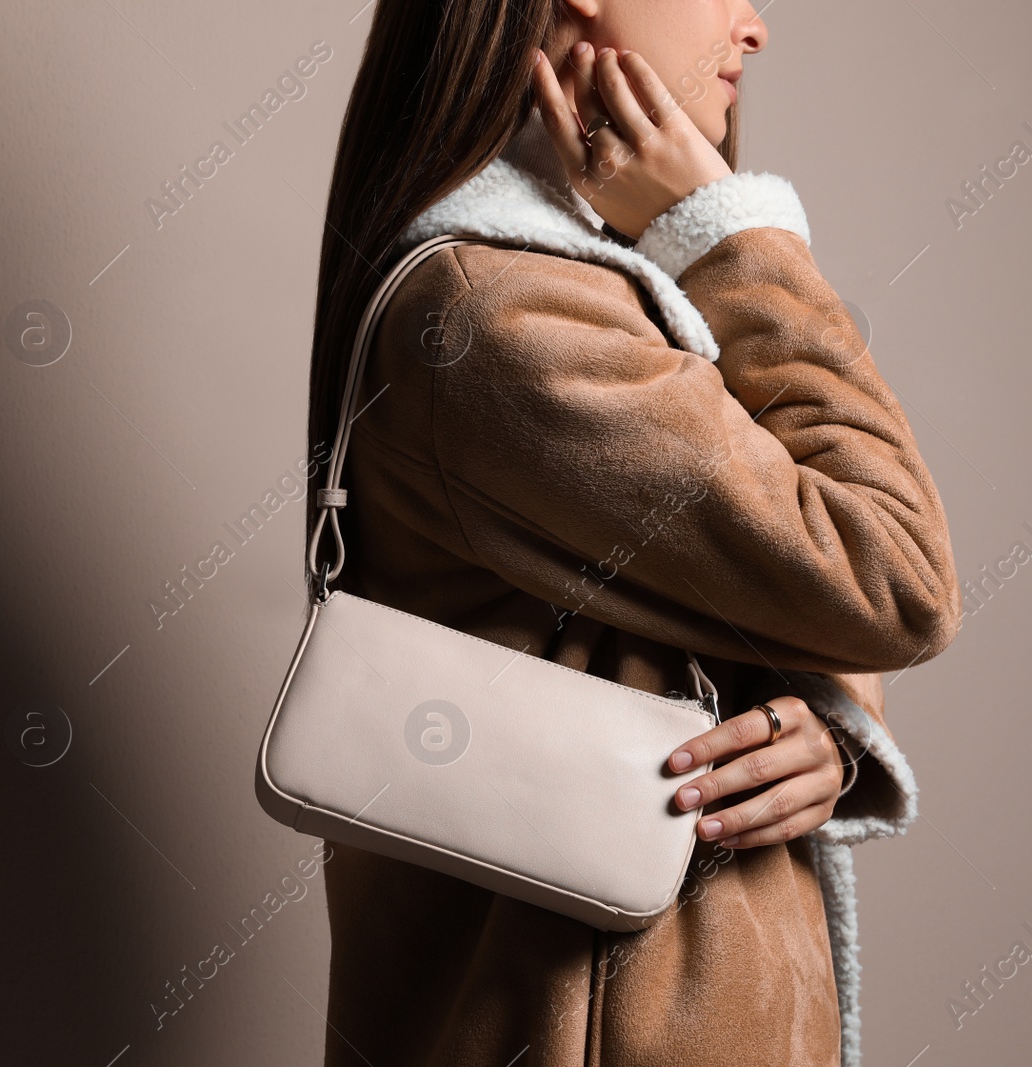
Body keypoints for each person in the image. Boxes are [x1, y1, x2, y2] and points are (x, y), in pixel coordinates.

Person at [303, 0, 962, 1063]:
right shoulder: (499, 312)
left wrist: (824, 725)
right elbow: (893, 573)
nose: (754, 28)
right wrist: (727, 233)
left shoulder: (595, 292)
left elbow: (789, 587)